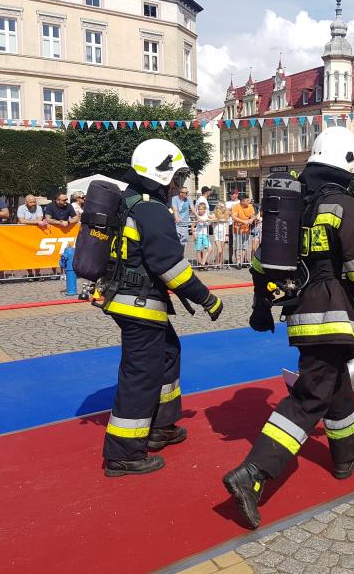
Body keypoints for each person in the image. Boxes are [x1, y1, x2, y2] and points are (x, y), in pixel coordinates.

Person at [223, 127, 354, 529]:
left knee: (335, 382)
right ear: (350, 162)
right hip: (331, 312)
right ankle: (253, 473)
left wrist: (260, 308)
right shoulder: (341, 204)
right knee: (311, 395)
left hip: (300, 309)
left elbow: (261, 263)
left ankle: (347, 456)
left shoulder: (293, 202)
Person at [100, 138, 222, 477]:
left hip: (128, 298)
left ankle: (161, 426)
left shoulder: (128, 201)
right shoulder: (151, 210)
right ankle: (124, 453)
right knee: (141, 375)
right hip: (140, 303)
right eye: (176, 177)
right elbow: (171, 267)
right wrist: (207, 298)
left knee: (168, 352)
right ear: (161, 175)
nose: (177, 184)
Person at [17, 195, 49, 279]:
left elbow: (39, 219)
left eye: (34, 202)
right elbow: (21, 220)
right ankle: (30, 274)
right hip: (25, 235)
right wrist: (36, 222)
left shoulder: (38, 207)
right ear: (26, 202)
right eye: (31, 202)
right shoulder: (21, 208)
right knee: (28, 254)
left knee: (37, 253)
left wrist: (29, 222)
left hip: (36, 234)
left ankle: (38, 273)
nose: (33, 204)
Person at [231, 193, 256, 266]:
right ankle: (238, 261)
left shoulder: (250, 206)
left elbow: (253, 215)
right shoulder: (236, 207)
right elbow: (234, 217)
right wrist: (243, 221)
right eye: (247, 200)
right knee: (238, 246)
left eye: (248, 200)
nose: (249, 201)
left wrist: (251, 219)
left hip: (246, 230)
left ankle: (241, 262)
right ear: (242, 201)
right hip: (237, 230)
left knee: (244, 246)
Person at [193, 202, 212, 267]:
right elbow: (193, 226)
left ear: (204, 209)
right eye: (199, 209)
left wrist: (207, 220)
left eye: (201, 209)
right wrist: (194, 234)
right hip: (199, 235)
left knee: (209, 249)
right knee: (198, 250)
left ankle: (203, 262)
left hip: (205, 235)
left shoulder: (207, 215)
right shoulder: (197, 216)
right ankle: (200, 263)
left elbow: (215, 218)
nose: (200, 210)